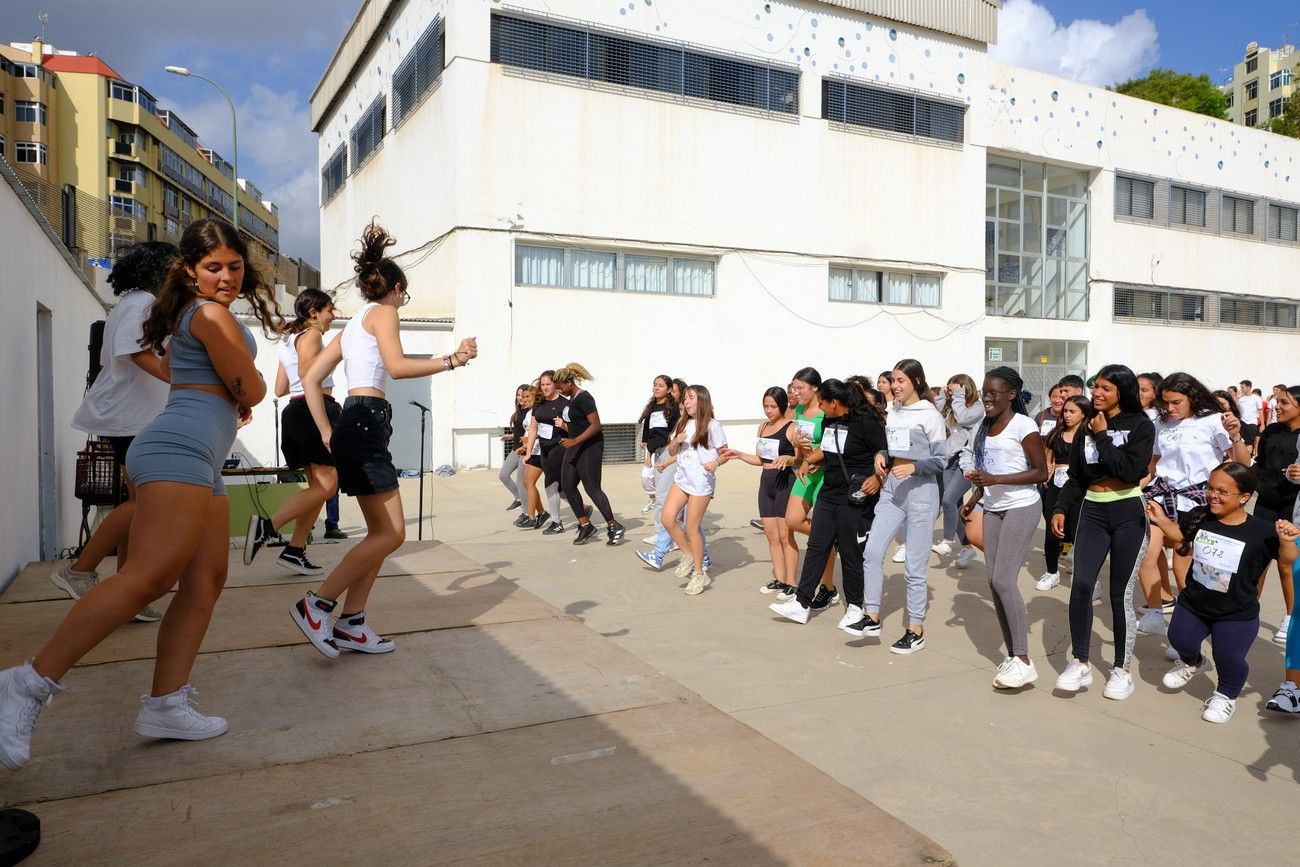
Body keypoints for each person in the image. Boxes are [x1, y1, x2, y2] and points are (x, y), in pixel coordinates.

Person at [0, 219, 284, 770]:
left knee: (204, 582)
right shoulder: (209, 315)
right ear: (190, 270)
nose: (226, 276)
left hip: (196, 452)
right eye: (213, 267)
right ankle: (25, 685)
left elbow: (199, 379)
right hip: (178, 448)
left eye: (234, 265)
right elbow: (250, 387)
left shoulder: (183, 316)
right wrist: (240, 387)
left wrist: (233, 391)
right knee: (148, 577)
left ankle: (166, 704)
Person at [294, 221, 478, 659]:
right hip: (366, 421)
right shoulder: (384, 313)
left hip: (353, 425)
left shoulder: (352, 324)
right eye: (404, 294)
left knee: (380, 533)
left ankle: (352, 623)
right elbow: (395, 367)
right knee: (393, 533)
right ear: (395, 289)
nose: (402, 301)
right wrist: (452, 359)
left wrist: (325, 429)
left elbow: (311, 377)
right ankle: (317, 604)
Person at [56, 242, 179, 623]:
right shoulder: (142, 303)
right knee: (144, 506)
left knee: (138, 506)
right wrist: (180, 381)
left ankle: (129, 593)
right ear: (160, 271)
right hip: (132, 419)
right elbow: (137, 353)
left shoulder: (136, 303)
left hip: (133, 418)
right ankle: (79, 569)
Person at [1149, 463, 1299, 724]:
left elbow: (1287, 560)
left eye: (1222, 491)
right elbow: (1180, 536)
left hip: (1236, 612)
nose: (1212, 495)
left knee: (1228, 657)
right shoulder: (1201, 515)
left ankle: (1225, 696)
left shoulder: (1262, 531)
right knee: (1179, 639)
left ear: (1244, 497)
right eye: (1210, 488)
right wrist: (1161, 519)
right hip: (1195, 603)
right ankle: (1194, 663)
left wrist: (1286, 541)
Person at [1051, 364, 1155, 701]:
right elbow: (1078, 477)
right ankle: (1080, 662)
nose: (1096, 393)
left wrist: (1100, 435)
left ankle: (1122, 670)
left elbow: (1129, 472)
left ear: (1121, 392)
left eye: (1105, 388)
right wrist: (1061, 508)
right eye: (1095, 386)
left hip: (1127, 512)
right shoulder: (1086, 427)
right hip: (1092, 512)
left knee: (1119, 592)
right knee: (1080, 585)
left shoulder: (1140, 425)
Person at [1136, 372, 1249, 637]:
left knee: (1187, 572)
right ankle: (1155, 613)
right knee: (1145, 553)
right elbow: (1152, 466)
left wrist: (1235, 435)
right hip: (1161, 497)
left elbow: (1241, 463)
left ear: (1192, 397)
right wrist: (1129, 490)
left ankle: (1189, 629)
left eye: (1176, 402)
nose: (1170, 408)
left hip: (1198, 500)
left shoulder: (1212, 421)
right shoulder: (1160, 424)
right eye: (1165, 402)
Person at [958, 367, 1049, 688]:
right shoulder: (983, 426)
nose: (987, 398)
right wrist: (976, 496)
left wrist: (996, 480)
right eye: (985, 392)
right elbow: (987, 468)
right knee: (993, 581)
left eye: (994, 393)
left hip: (1022, 506)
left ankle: (1024, 660)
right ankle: (1013, 655)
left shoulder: (1024, 426)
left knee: (1003, 578)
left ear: (1011, 394)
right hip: (993, 506)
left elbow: (1040, 473)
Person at [769, 379, 885, 627]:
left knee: (850, 551)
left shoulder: (866, 423)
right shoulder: (830, 419)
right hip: (829, 493)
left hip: (854, 497)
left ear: (835, 402)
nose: (819, 407)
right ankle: (801, 603)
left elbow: (885, 452)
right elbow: (827, 447)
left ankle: (855, 606)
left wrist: (876, 477)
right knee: (816, 546)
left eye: (822, 402)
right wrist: (807, 460)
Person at [245, 288, 342, 575]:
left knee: (318, 489)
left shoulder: (289, 339)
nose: (332, 316)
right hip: (315, 411)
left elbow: (279, 389)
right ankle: (267, 526)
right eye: (329, 310)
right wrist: (334, 356)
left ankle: (296, 550)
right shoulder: (312, 335)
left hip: (296, 412)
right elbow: (306, 374)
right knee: (328, 486)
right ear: (314, 312)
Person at [861, 359, 946, 653]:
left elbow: (941, 460)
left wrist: (914, 468)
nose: (895, 386)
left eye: (901, 381)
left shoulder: (930, 415)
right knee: (872, 551)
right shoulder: (893, 412)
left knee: (914, 567)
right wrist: (881, 454)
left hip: (921, 493)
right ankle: (870, 616)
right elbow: (894, 446)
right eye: (893, 380)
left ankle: (915, 629)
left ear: (917, 382)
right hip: (892, 491)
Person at [722, 387, 799, 594]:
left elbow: (801, 459)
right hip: (766, 483)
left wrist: (789, 459)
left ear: (782, 405)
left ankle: (792, 582)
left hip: (785, 481)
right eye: (766, 406)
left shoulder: (792, 427)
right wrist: (738, 454)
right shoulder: (762, 427)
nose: (769, 410)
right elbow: (760, 459)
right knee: (771, 535)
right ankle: (780, 579)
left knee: (785, 536)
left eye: (773, 406)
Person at [661, 385, 729, 595]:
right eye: (685, 399)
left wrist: (716, 463)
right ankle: (688, 554)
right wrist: (676, 441)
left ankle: (699, 574)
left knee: (692, 527)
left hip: (701, 483)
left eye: (691, 398)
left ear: (701, 401)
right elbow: (672, 450)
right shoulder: (683, 423)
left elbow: (725, 453)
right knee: (667, 518)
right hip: (682, 479)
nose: (686, 402)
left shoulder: (712, 425)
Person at [553, 363, 626, 546]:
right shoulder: (571, 400)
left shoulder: (584, 398)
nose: (559, 390)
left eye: (560, 386)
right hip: (575, 445)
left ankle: (613, 525)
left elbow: (595, 425)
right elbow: (578, 425)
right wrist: (565, 428)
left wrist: (575, 440)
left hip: (590, 447)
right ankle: (585, 525)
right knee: (567, 486)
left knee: (591, 487)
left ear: (569, 382)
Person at [1250, 384, 1300, 644]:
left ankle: (1291, 617)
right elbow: (1260, 465)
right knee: (1257, 558)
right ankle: (1248, 610)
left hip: (1292, 506)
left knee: (1286, 564)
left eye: (1284, 402)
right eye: (1277, 401)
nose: (1277, 407)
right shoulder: (1271, 431)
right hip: (1266, 504)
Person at [1038, 396, 1094, 590]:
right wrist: (1046, 476)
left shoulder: (1090, 435)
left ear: (1084, 413)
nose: (1068, 415)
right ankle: (1051, 572)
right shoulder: (1057, 433)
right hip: (1055, 486)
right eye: (1066, 411)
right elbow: (1048, 458)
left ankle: (1088, 580)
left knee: (1079, 532)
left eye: (1072, 412)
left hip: (1080, 487)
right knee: (1052, 531)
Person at [933, 374, 982, 562]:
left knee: (948, 499)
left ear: (966, 387)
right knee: (956, 503)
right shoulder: (952, 404)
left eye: (958, 387)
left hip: (966, 460)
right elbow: (936, 418)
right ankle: (967, 548)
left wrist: (959, 397)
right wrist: (944, 397)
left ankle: (946, 541)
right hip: (950, 459)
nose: (954, 390)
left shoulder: (976, 407)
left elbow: (963, 418)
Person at [638, 375, 680, 544]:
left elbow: (669, 434)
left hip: (669, 452)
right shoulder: (652, 407)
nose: (656, 388)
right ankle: (669, 534)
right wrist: (647, 454)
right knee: (661, 493)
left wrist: (651, 448)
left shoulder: (673, 408)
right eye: (655, 385)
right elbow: (648, 433)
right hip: (656, 452)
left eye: (661, 385)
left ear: (669, 389)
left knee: (662, 495)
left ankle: (662, 535)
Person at [531, 371, 571, 534]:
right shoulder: (539, 403)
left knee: (549, 485)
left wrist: (564, 425)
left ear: (555, 385)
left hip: (559, 447)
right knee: (561, 489)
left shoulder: (565, 404)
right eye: (543, 384)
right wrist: (528, 452)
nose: (545, 387)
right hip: (544, 448)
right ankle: (583, 509)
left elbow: (576, 429)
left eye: (548, 384)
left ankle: (556, 522)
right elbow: (533, 428)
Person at [499, 384, 532, 511]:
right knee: (503, 475)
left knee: (521, 483)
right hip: (516, 449)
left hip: (525, 450)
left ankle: (527, 513)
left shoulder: (531, 412)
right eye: (518, 395)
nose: (520, 398)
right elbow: (521, 430)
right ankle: (518, 499)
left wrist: (525, 447)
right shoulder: (519, 411)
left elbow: (530, 432)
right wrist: (512, 435)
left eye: (524, 395)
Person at [1236, 380, 1263, 453]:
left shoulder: (1256, 398)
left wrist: (1262, 425)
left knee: (1249, 441)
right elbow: (1234, 409)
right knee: (1242, 440)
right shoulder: (1240, 398)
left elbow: (1260, 411)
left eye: (1242, 387)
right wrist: (1237, 398)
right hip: (1241, 421)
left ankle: (1248, 458)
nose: (1241, 389)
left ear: (1248, 387)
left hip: (1252, 422)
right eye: (1240, 387)